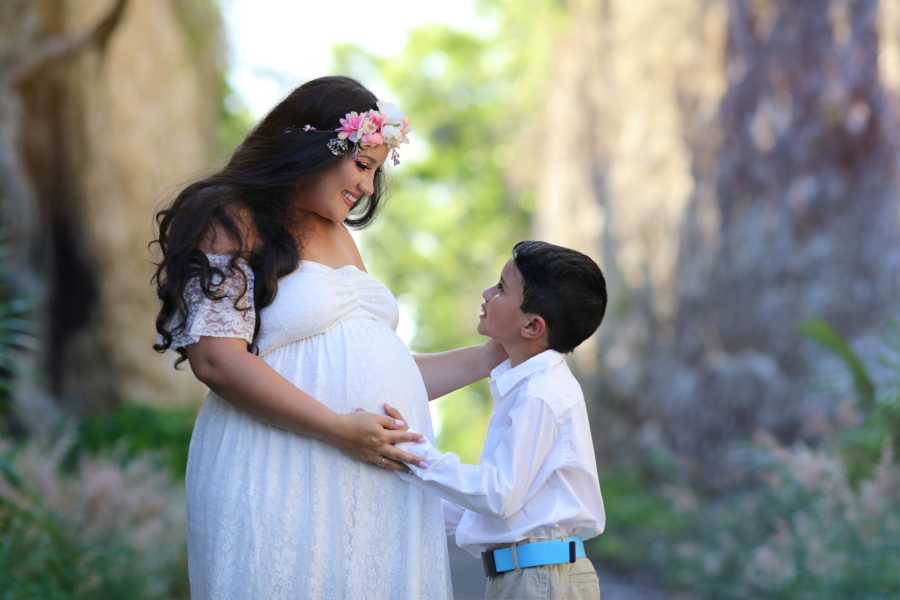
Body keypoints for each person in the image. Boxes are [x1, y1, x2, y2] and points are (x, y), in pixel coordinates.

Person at [151, 76, 504, 599]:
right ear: (313, 146)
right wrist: (340, 429)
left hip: (370, 474)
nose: (366, 187)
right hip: (277, 466)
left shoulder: (339, 234)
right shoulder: (231, 216)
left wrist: (496, 354)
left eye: (376, 172)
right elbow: (217, 362)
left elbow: (386, 366)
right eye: (362, 165)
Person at [396, 240, 608, 600]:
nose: (486, 293)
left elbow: (498, 494)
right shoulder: (528, 385)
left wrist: (415, 455)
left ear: (531, 326)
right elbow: (504, 512)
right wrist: (402, 487)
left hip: (540, 580)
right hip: (531, 575)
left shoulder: (540, 393)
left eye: (501, 288)